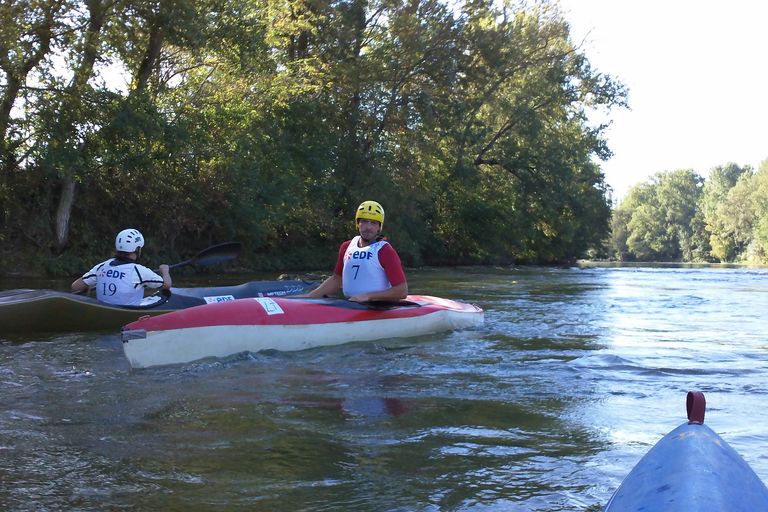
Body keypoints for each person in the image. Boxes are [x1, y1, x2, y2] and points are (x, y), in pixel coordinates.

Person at [305, 200, 408, 302]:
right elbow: (336, 279)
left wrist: (368, 296)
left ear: (379, 227)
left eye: (373, 223)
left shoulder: (385, 251)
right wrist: (308, 297)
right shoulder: (346, 247)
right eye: (364, 221)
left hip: (377, 306)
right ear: (358, 223)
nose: (368, 227)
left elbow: (402, 291)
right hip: (351, 304)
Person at [71, 228, 172, 306]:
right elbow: (166, 285)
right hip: (129, 315)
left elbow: (75, 287)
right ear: (137, 249)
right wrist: (165, 271)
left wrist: (87, 286)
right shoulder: (139, 271)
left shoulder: (101, 266)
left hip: (103, 311)